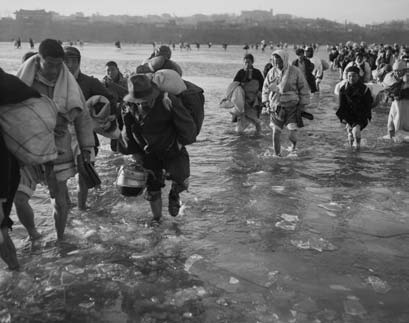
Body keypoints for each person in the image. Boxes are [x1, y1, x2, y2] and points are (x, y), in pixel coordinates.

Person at [14, 39, 95, 240]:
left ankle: (60, 237)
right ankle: (33, 234)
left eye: (59, 64)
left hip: (58, 145)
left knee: (59, 200)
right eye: (49, 64)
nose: (54, 69)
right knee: (19, 197)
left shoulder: (69, 82)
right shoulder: (22, 80)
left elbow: (83, 116)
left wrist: (86, 148)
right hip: (27, 145)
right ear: (38, 60)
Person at [118, 74, 197, 225]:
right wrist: (135, 154)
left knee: (182, 179)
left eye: (147, 99)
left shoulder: (168, 101)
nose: (144, 103)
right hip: (148, 152)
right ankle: (157, 219)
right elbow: (127, 131)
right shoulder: (128, 107)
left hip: (172, 148)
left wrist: (180, 143)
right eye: (140, 101)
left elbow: (188, 127)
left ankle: (175, 192)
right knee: (153, 188)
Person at [0, 68, 43, 269]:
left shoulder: (5, 84)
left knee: (1, 229)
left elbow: (32, 95)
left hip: (5, 171)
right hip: (8, 168)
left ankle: (15, 270)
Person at [63, 46, 114, 210]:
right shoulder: (56, 83)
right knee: (60, 177)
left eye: (73, 61)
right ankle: (66, 205)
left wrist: (98, 116)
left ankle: (81, 208)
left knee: (83, 176)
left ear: (79, 62)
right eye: (66, 61)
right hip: (62, 138)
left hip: (86, 138)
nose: (70, 65)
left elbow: (111, 101)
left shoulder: (90, 82)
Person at [262, 50, 310, 157]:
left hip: (292, 106)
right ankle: (277, 155)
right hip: (276, 106)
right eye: (275, 61)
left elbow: (303, 88)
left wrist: (303, 104)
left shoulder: (295, 71)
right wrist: (265, 102)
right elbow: (265, 88)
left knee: (292, 135)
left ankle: (293, 147)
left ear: (284, 59)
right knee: (275, 132)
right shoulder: (271, 72)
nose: (277, 63)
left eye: (279, 60)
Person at [336, 66, 373, 150]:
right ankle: (351, 153)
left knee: (356, 132)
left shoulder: (365, 89)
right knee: (350, 135)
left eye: (354, 76)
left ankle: (357, 150)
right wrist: (343, 119)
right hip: (348, 115)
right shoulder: (343, 89)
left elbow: (368, 106)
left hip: (361, 115)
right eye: (349, 76)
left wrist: (367, 117)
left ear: (358, 76)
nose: (351, 78)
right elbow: (341, 106)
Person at [232, 53, 264, 134]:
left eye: (248, 62)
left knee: (256, 118)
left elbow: (262, 84)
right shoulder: (241, 72)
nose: (247, 64)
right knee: (241, 118)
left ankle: (258, 134)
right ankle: (240, 137)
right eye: (245, 62)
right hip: (243, 100)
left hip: (254, 99)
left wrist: (260, 93)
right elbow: (235, 85)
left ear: (252, 62)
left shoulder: (257, 72)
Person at [383, 60, 409, 140]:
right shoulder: (390, 76)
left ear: (405, 70)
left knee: (399, 128)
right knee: (390, 128)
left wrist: (406, 82)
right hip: (395, 103)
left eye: (399, 71)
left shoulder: (407, 77)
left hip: (405, 104)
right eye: (395, 71)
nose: (397, 73)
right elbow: (388, 88)